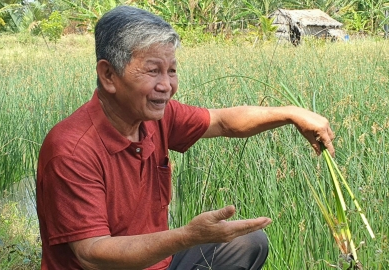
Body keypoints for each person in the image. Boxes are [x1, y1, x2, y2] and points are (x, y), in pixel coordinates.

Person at [36, 5, 335, 270]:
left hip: (156, 262)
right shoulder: (71, 149)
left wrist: (292, 114)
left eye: (172, 71)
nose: (166, 85)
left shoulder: (156, 117)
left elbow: (224, 122)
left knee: (247, 242)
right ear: (108, 75)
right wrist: (187, 237)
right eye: (153, 70)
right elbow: (92, 254)